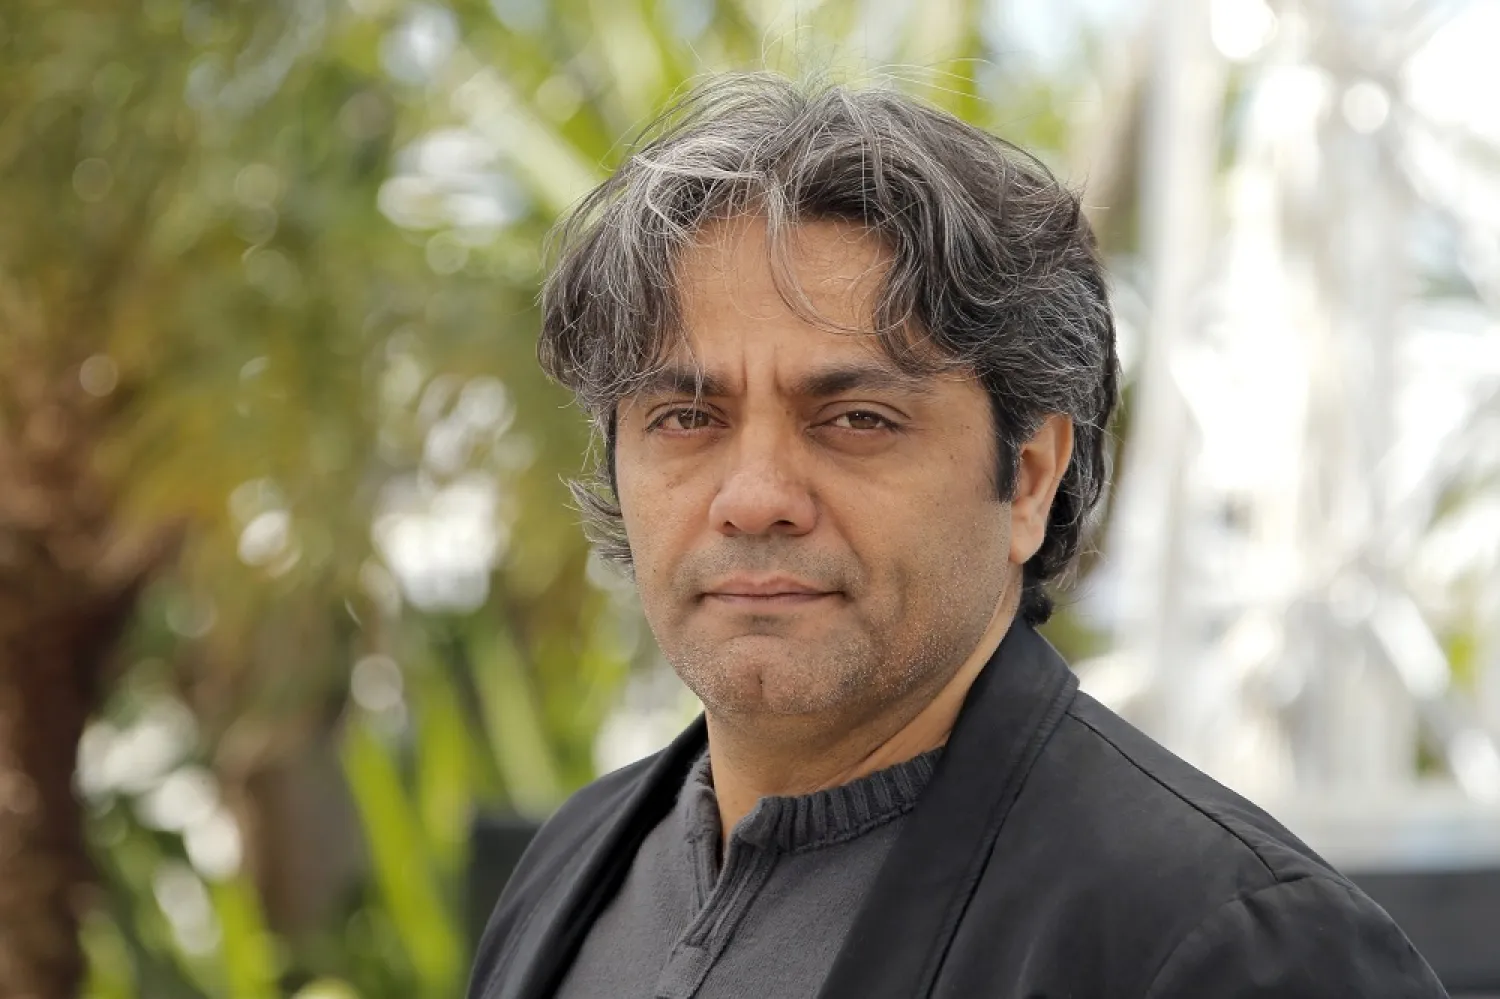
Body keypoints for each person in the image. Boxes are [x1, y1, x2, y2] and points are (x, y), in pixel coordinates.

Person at [467, 73, 1447, 999]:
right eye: (687, 418)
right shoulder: (577, 868)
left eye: (856, 418)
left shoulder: (1229, 948)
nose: (755, 497)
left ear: (1027, 477)